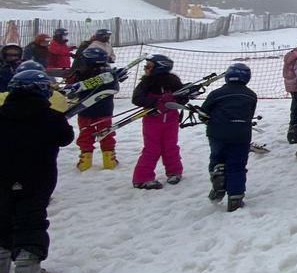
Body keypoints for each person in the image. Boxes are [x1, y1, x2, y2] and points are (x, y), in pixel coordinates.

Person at [0, 70, 74, 273]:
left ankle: (2, 255)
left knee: (3, 214)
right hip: (37, 178)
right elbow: (66, 138)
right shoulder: (51, 117)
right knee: (31, 217)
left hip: (3, 177)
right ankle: (28, 263)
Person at [200, 63, 258, 212]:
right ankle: (235, 197)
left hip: (217, 132)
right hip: (241, 134)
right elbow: (249, 114)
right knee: (237, 165)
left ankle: (218, 174)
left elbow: (204, 113)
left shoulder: (216, 94)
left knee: (216, 156)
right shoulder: (251, 95)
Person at [130, 55, 187, 189]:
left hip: (171, 120)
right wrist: (156, 102)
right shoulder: (146, 82)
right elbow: (137, 98)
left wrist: (175, 100)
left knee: (171, 147)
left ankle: (174, 172)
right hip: (152, 120)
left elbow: (184, 98)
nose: (146, 69)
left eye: (149, 66)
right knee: (152, 149)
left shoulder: (173, 81)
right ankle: (142, 178)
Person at [70, 46, 122, 171]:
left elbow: (72, 89)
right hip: (104, 111)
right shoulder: (109, 74)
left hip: (85, 111)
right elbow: (115, 89)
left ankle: (85, 161)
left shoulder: (80, 74)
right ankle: (109, 160)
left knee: (85, 134)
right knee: (106, 133)